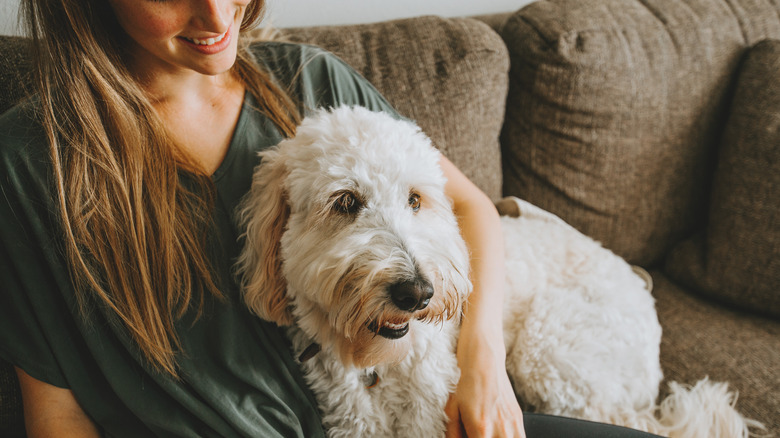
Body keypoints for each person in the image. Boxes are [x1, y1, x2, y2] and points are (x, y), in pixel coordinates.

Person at [0, 0, 661, 437]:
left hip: (394, 415)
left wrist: (481, 362)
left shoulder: (313, 84)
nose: (214, 11)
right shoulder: (32, 165)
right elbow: (54, 408)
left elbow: (465, 206)